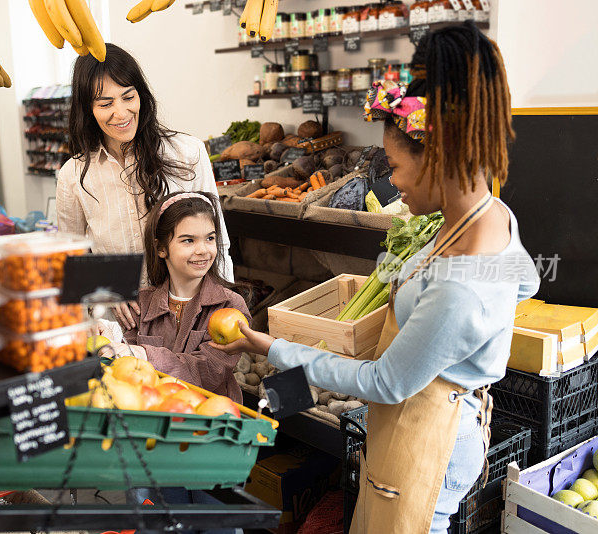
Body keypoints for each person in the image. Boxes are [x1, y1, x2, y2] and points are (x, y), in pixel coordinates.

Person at [212, 23, 540, 534]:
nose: (392, 182)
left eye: (394, 164)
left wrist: (273, 347)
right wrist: (467, 350)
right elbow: (527, 282)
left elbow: (384, 382)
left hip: (424, 442)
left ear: (440, 155)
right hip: (433, 419)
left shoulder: (460, 286)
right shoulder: (489, 213)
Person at [56, 43, 233, 332]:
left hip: (189, 317)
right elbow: (69, 258)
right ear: (87, 110)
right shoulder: (73, 176)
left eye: (128, 97)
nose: (121, 112)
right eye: (105, 104)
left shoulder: (188, 153)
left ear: (141, 95)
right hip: (119, 328)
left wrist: (221, 307)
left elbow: (219, 241)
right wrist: (104, 285)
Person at [111, 191, 248, 403]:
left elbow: (209, 371)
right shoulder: (140, 304)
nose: (202, 250)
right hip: (153, 416)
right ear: (161, 248)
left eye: (210, 238)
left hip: (213, 419)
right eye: (188, 241)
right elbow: (124, 365)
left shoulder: (230, 307)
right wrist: (108, 340)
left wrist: (145, 355)